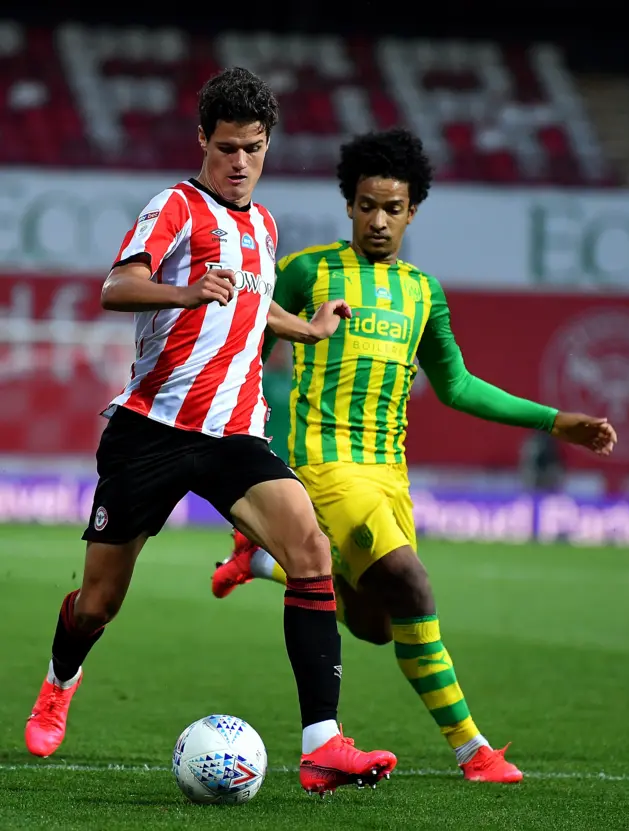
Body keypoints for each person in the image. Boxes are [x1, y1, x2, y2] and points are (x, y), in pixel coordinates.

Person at [24, 68, 397, 797]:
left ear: (268, 145)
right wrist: (185, 289)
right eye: (226, 147)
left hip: (233, 434)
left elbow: (251, 308)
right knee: (97, 603)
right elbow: (116, 286)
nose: (239, 162)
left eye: (252, 148)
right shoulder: (175, 207)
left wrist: (309, 328)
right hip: (152, 430)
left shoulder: (263, 225)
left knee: (310, 547)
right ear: (202, 140)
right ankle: (59, 678)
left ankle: (323, 747)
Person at [212, 127, 618, 783]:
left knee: (376, 622)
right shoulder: (307, 270)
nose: (378, 220)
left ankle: (265, 560)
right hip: (326, 467)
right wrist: (238, 436)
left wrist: (555, 421)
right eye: (367, 205)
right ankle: (473, 749)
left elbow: (456, 384)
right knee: (413, 583)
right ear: (349, 204)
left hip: (388, 477)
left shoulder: (423, 293)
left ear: (412, 211)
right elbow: (248, 342)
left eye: (392, 208)